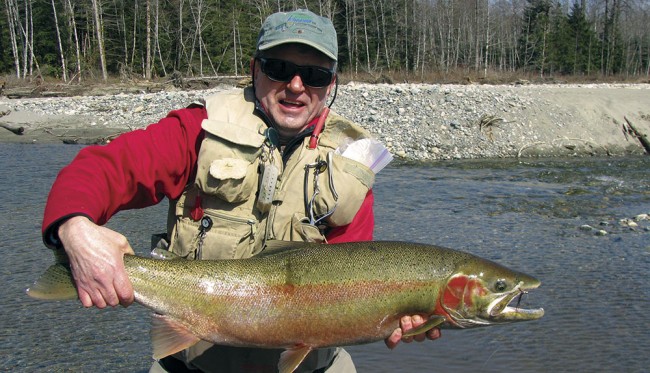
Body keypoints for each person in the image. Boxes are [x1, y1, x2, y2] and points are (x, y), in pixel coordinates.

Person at [41, 9, 440, 373]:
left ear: (331, 83)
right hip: (193, 362)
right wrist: (75, 230)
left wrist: (392, 314)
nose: (296, 86)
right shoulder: (198, 129)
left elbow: (356, 275)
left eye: (315, 75)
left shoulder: (350, 167)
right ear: (254, 69)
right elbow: (102, 169)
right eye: (279, 68)